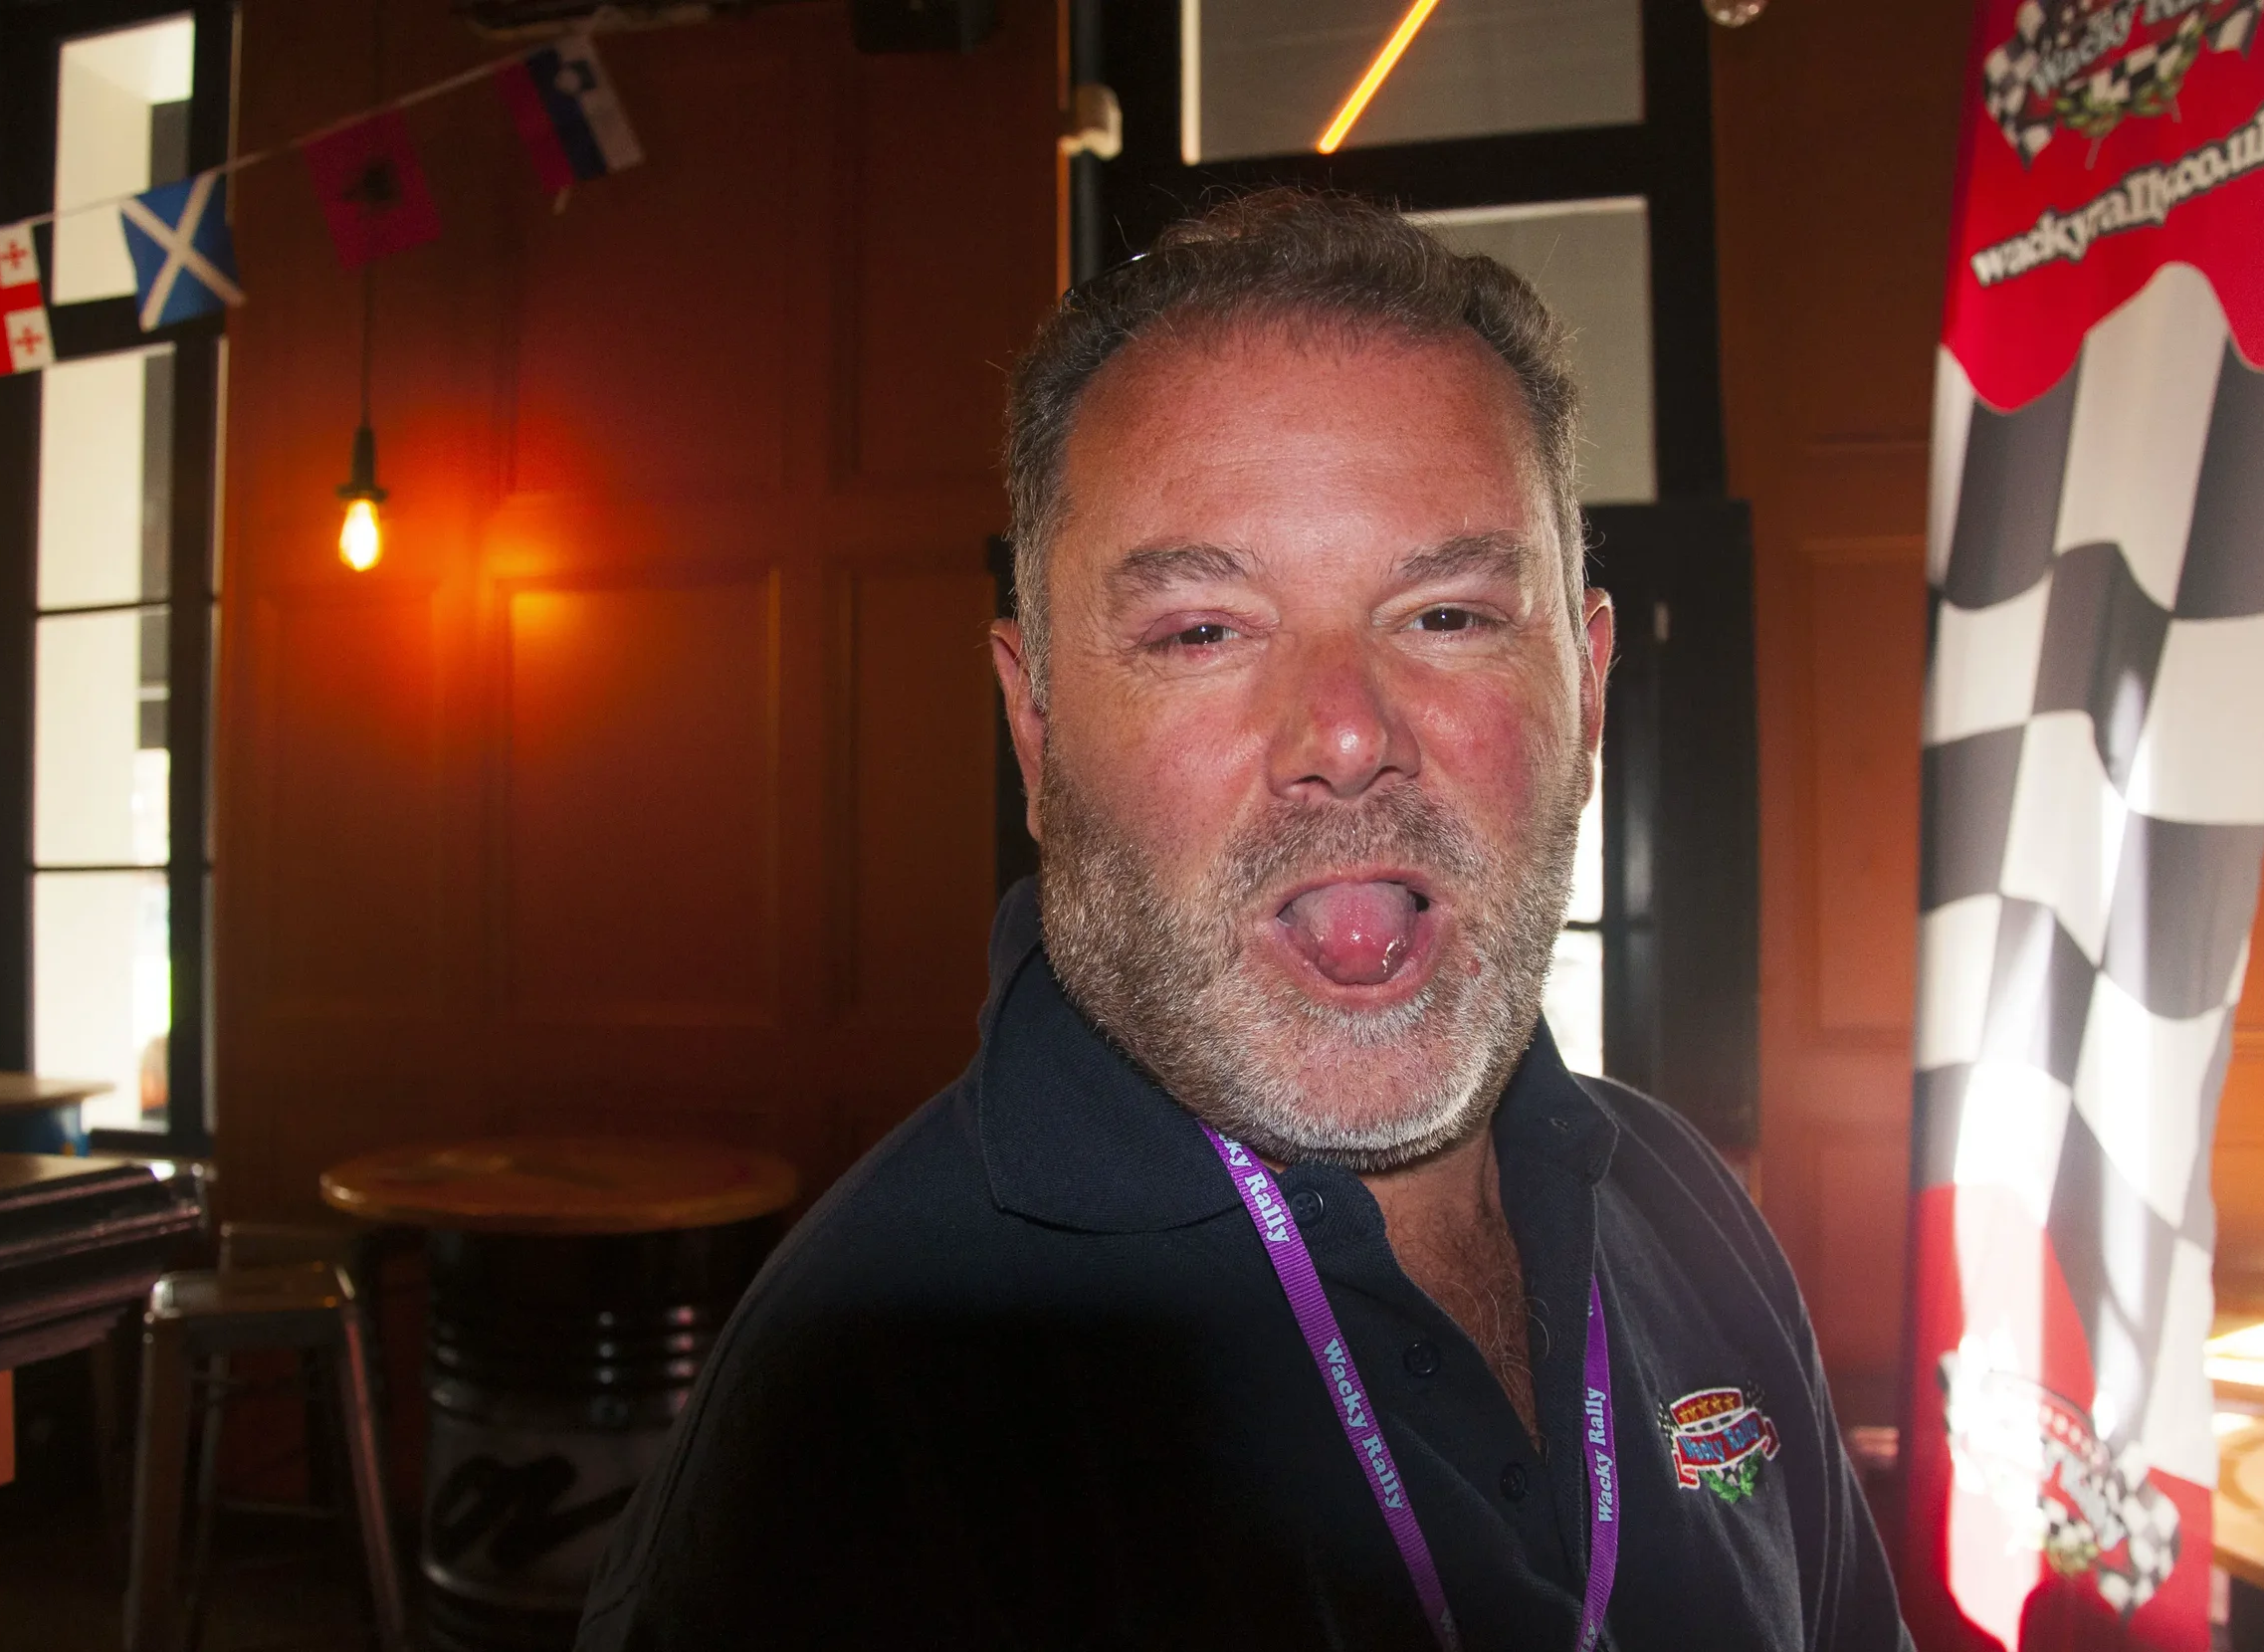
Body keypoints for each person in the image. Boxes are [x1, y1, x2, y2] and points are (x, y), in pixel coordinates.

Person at [577, 189, 1910, 1651]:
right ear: (1035, 726)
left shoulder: (1692, 1209)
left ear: (1588, 692)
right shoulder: (860, 1416)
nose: (1342, 733)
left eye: (1449, 614)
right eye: (1202, 631)